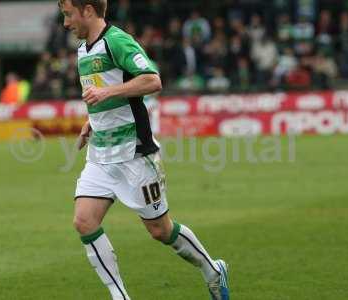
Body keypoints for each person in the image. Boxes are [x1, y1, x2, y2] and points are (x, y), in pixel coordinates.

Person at [58, 1, 230, 299]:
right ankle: (119, 295)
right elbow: (104, 90)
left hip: (135, 153)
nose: (65, 23)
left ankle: (213, 270)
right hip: (101, 154)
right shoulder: (83, 49)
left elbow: (152, 80)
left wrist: (106, 93)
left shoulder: (117, 41)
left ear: (87, 10)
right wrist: (92, 120)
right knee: (84, 221)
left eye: (68, 14)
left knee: (160, 230)